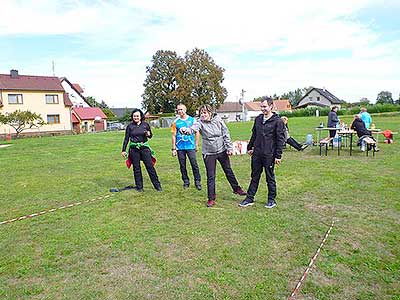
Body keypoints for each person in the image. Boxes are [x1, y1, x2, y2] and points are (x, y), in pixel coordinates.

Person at [180, 104, 246, 207]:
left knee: (228, 171)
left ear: (210, 113)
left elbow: (225, 133)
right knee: (211, 176)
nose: (203, 115)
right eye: (201, 113)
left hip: (222, 150)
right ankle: (211, 198)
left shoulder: (218, 119)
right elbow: (193, 129)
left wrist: (229, 148)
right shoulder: (199, 122)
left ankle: (237, 189)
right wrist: (185, 130)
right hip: (209, 152)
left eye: (205, 112)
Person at [239, 97, 285, 209]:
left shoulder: (278, 121)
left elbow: (280, 139)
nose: (262, 109)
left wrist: (278, 155)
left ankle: (271, 200)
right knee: (254, 176)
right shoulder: (258, 119)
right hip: (257, 153)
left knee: (270, 177)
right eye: (261, 106)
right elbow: (254, 134)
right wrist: (250, 147)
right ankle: (249, 198)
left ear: (271, 106)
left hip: (269, 154)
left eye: (264, 106)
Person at [121, 109, 162, 192]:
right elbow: (126, 139)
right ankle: (139, 187)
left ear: (140, 117)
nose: (136, 117)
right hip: (134, 149)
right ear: (132, 117)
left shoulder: (145, 125)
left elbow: (150, 136)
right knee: (136, 168)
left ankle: (157, 186)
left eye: (137, 116)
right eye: (134, 116)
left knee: (150, 166)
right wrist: (123, 150)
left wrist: (148, 134)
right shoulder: (130, 126)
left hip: (144, 148)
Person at [171, 104, 202, 190]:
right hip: (180, 147)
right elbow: (173, 135)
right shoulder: (175, 122)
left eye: (181, 109)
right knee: (182, 165)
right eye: (178, 110)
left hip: (190, 146)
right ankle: (186, 181)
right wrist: (173, 148)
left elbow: (197, 132)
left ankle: (197, 181)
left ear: (185, 109)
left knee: (194, 164)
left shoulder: (192, 120)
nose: (180, 111)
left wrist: (196, 144)